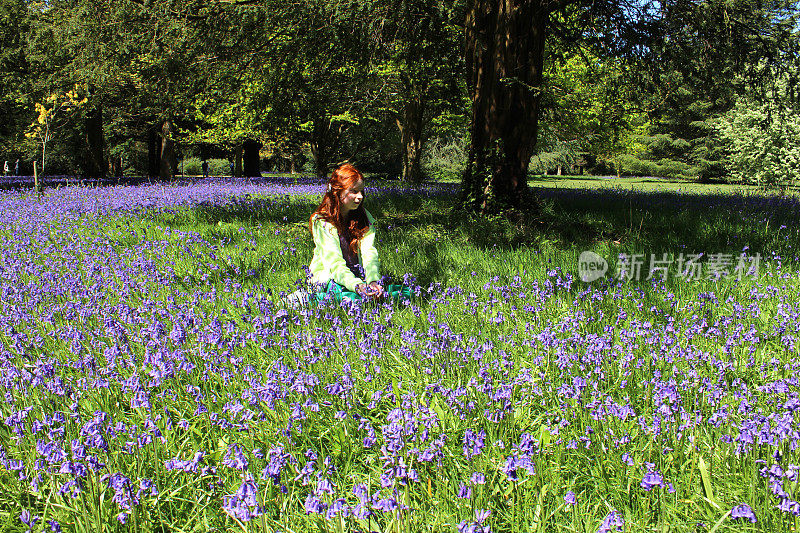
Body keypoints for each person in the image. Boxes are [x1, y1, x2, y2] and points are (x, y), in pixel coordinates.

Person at [286, 163, 410, 307]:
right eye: (354, 191)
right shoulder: (322, 221)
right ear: (338, 191)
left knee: (405, 293)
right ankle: (306, 297)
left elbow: (369, 253)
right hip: (331, 279)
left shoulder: (364, 217)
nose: (360, 197)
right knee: (354, 302)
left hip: (357, 278)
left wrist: (373, 282)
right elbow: (335, 264)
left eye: (362, 191)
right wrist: (357, 286)